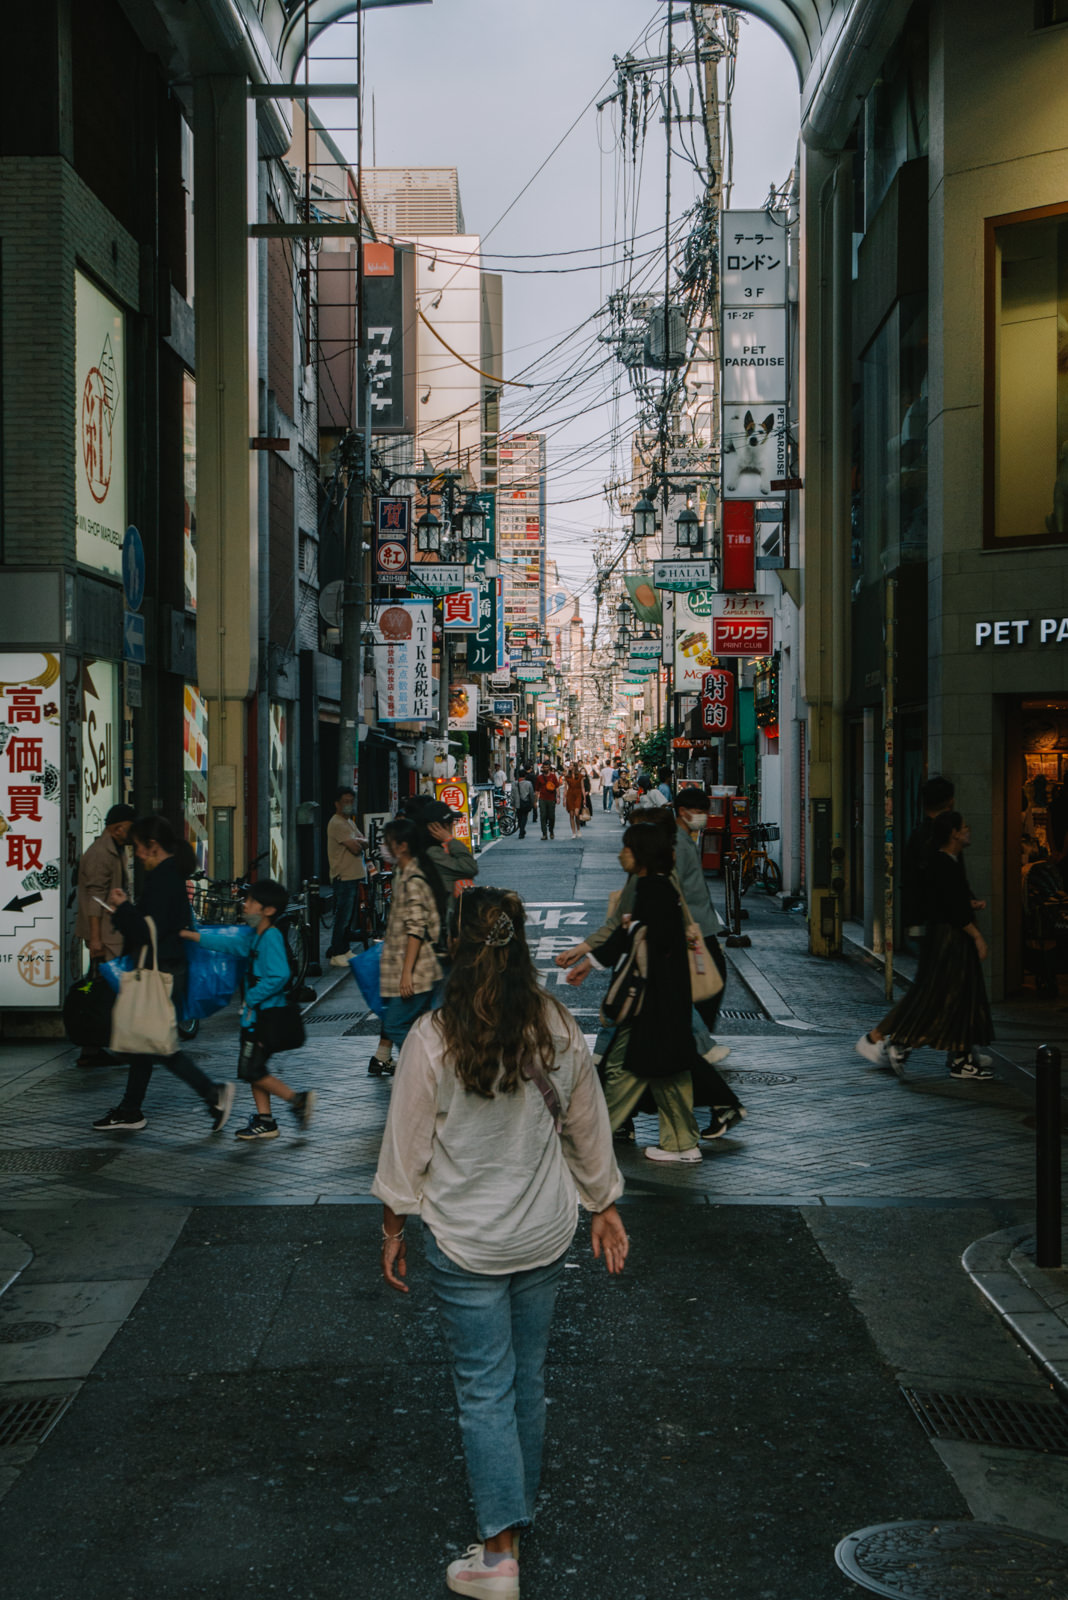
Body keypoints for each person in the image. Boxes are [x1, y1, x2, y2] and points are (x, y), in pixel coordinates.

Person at [372, 887, 628, 1598]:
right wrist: (603, 1203)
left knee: (484, 1388)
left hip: (464, 1240)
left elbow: (406, 1149)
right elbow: (587, 1122)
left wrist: (393, 1225)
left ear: (458, 947)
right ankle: (513, 1518)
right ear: (519, 948)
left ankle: (499, 1554)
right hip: (544, 1232)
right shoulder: (555, 1025)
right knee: (529, 1381)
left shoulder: (433, 1037)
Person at [567, 823, 709, 1162]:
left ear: (641, 855)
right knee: (668, 1074)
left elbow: (643, 942)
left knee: (621, 1070)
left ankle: (587, 1141)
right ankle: (683, 1143)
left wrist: (628, 933)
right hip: (665, 998)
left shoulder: (652, 891)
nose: (621, 855)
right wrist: (597, 957)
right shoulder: (657, 887)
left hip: (649, 1000)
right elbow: (635, 937)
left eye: (627, 849)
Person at [91, 816, 235, 1134]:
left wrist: (123, 907)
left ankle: (214, 1093)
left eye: (139, 849)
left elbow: (147, 930)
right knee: (146, 1040)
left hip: (161, 971)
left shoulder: (162, 880)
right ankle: (130, 1109)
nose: (137, 856)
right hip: (169, 968)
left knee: (160, 1044)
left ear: (152, 847)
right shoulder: (172, 876)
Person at [865, 812, 996, 1080]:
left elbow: (951, 900)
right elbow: (951, 907)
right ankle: (902, 1043)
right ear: (954, 833)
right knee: (942, 996)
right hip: (949, 940)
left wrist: (969, 905)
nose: (969, 830)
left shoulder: (949, 860)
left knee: (951, 997)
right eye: (964, 826)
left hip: (946, 938)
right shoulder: (943, 863)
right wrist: (976, 935)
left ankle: (959, 1055)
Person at [181, 880, 316, 1141]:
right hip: (255, 1017)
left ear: (267, 910)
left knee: (251, 1070)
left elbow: (279, 975)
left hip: (265, 1017)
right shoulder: (257, 936)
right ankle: (265, 1121)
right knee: (255, 1069)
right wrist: (194, 936)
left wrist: (252, 998)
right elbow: (232, 946)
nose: (246, 905)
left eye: (252, 902)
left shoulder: (271, 937)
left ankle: (298, 1100)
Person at [377, 816, 447, 1059]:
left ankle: (426, 1071)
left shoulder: (413, 879)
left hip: (417, 971)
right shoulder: (403, 874)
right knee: (420, 1026)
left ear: (402, 846)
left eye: (388, 843)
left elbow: (416, 928)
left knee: (396, 1024)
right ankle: (431, 1073)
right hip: (416, 968)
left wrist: (407, 973)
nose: (384, 848)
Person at [73, 802, 135, 1068]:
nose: (131, 834)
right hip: (106, 934)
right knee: (111, 987)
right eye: (128, 829)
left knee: (101, 986)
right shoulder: (101, 853)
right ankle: (104, 1044)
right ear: (116, 827)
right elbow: (94, 898)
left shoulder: (116, 849)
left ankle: (93, 1046)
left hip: (111, 931)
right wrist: (96, 939)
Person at [326, 786, 367, 967]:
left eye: (351, 801)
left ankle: (344, 949)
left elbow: (364, 840)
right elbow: (357, 847)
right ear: (337, 804)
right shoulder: (337, 823)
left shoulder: (349, 822)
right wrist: (359, 842)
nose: (349, 805)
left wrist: (359, 841)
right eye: (346, 802)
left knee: (348, 917)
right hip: (343, 876)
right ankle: (336, 952)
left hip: (353, 875)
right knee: (342, 916)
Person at [534, 761, 561, 840]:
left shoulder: (553, 776)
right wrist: (535, 801)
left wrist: (558, 797)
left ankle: (551, 831)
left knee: (551, 816)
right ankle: (544, 834)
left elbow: (557, 787)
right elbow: (537, 790)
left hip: (551, 799)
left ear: (549, 767)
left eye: (546, 767)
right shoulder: (539, 777)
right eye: (544, 767)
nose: (545, 769)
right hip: (542, 799)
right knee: (543, 816)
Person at [563, 763, 585, 839]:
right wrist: (564, 799)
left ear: (575, 767)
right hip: (570, 795)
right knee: (571, 814)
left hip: (578, 795)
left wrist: (584, 798)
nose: (570, 766)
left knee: (576, 813)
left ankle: (578, 828)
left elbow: (582, 787)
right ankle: (573, 832)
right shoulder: (567, 777)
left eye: (572, 765)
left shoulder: (580, 776)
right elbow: (565, 788)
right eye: (570, 765)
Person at [514, 769, 535, 840]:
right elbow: (531, 794)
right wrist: (533, 803)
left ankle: (522, 830)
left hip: (517, 803)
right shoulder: (528, 783)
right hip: (525, 802)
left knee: (519, 817)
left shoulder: (514, 783)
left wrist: (512, 804)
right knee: (524, 817)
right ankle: (521, 831)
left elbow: (512, 795)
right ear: (525, 775)